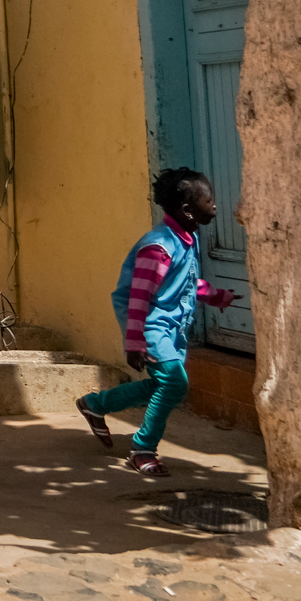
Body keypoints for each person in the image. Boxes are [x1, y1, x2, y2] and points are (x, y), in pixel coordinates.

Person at [76, 168, 239, 476]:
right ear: (188, 210)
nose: (215, 205)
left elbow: (184, 283)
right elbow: (139, 298)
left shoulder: (187, 237)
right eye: (209, 200)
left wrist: (217, 296)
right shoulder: (158, 248)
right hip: (148, 325)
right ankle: (142, 449)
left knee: (163, 384)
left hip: (170, 326)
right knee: (175, 382)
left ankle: (95, 404)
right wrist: (134, 341)